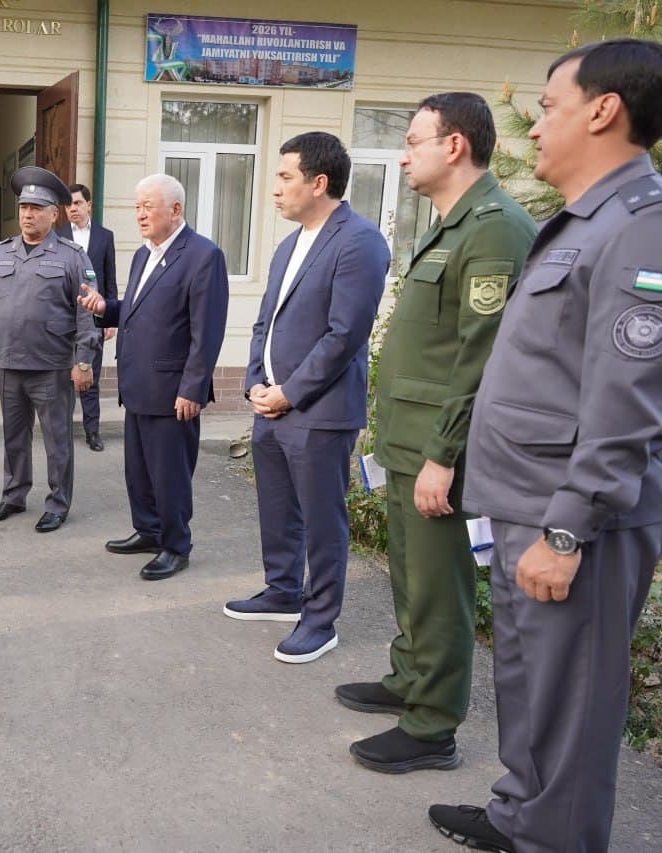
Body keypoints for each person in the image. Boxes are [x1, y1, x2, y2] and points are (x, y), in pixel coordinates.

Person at [429, 38, 662, 852]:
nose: (534, 128)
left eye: (550, 108)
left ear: (605, 111)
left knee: (570, 717)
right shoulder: (580, 223)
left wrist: (568, 530)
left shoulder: (639, 226)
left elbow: (626, 401)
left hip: (572, 522)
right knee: (530, 691)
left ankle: (552, 836)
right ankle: (518, 816)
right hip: (526, 505)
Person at [336, 96, 537, 774]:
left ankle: (432, 726)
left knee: (438, 584)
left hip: (438, 450)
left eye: (413, 141)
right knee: (410, 576)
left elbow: (479, 357)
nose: (402, 153)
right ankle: (410, 679)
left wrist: (442, 456)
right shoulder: (451, 224)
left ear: (454, 145)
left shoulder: (494, 228)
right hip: (408, 440)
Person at [224, 133, 389, 662]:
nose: (274, 189)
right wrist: (254, 381)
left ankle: (321, 620)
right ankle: (282, 591)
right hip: (270, 403)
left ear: (319, 183)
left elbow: (345, 334)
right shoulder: (290, 244)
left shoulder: (359, 241)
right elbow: (264, 323)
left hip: (318, 410)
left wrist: (288, 394)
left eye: (284, 177)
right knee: (277, 507)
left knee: (322, 519)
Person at [76, 173, 228, 579]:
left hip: (173, 392)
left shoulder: (203, 256)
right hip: (139, 385)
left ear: (175, 210)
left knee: (170, 475)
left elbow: (206, 331)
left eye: (148, 206)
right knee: (139, 470)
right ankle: (148, 529)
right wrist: (104, 307)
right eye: (137, 206)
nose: (139, 214)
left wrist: (192, 388)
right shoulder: (145, 254)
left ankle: (176, 546)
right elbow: (139, 306)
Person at [0, 165, 100, 533]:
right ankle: (14, 495)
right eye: (24, 207)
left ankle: (58, 504)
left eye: (36, 208)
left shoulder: (72, 257)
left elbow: (87, 314)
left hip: (54, 366)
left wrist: (83, 361)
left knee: (57, 441)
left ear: (53, 215)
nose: (27, 214)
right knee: (14, 437)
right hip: (11, 364)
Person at [65, 182, 118, 452]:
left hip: (95, 316)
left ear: (88, 205)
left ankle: (92, 431)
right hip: (64, 318)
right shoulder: (58, 235)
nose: (72, 209)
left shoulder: (104, 237)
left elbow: (110, 279)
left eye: (77, 203)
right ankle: (62, 429)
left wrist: (109, 318)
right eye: (68, 205)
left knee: (90, 376)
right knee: (63, 378)